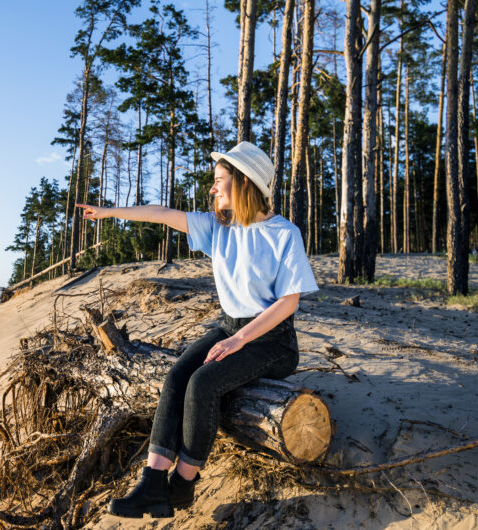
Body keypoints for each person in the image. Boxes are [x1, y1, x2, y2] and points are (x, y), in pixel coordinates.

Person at [75, 141, 319, 519]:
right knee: (177, 376)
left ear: (243, 182)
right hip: (229, 326)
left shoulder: (284, 233)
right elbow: (161, 214)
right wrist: (108, 211)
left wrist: (239, 340)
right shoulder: (217, 228)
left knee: (203, 383)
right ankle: (152, 483)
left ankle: (182, 486)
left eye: (219, 180)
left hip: (272, 341)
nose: (212, 188)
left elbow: (288, 302)